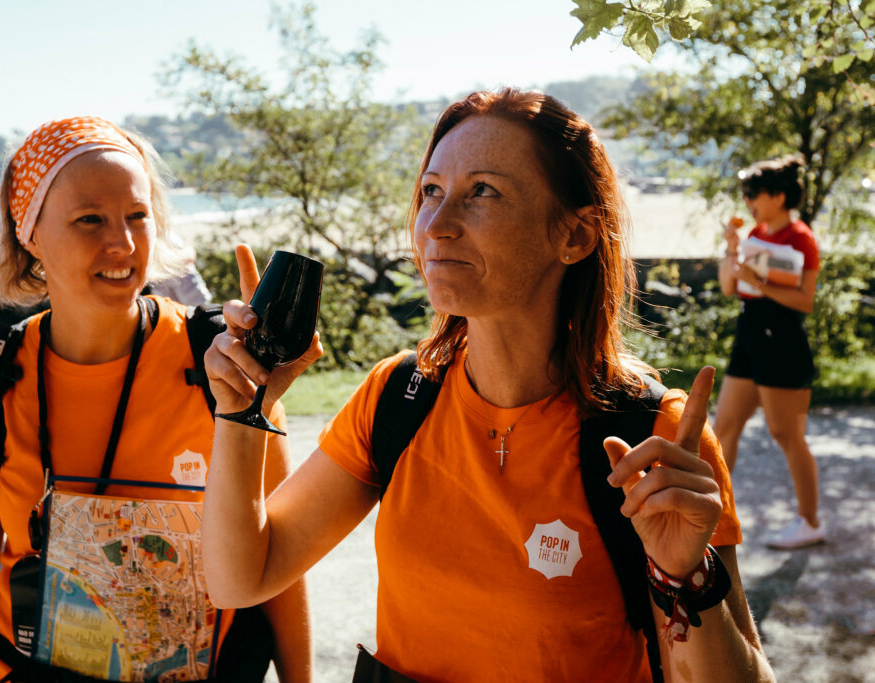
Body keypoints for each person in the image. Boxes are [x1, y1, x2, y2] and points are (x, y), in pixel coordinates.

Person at [201, 88, 774, 681]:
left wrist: (684, 578)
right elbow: (241, 578)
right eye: (431, 191)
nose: (436, 226)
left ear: (575, 236)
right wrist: (244, 411)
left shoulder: (655, 439)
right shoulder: (398, 395)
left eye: (483, 192)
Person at [0, 116, 311, 682]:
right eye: (89, 219)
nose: (123, 244)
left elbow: (277, 561)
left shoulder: (222, 361)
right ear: (29, 233)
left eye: (138, 215)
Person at [714, 156, 823, 550]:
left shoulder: (801, 238)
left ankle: (810, 522)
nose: (747, 201)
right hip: (750, 336)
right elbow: (729, 287)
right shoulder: (756, 233)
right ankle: (714, 517)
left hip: (783, 341)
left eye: (752, 194)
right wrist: (731, 249)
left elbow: (805, 301)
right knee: (724, 428)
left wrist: (759, 280)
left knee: (787, 434)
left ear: (778, 196)